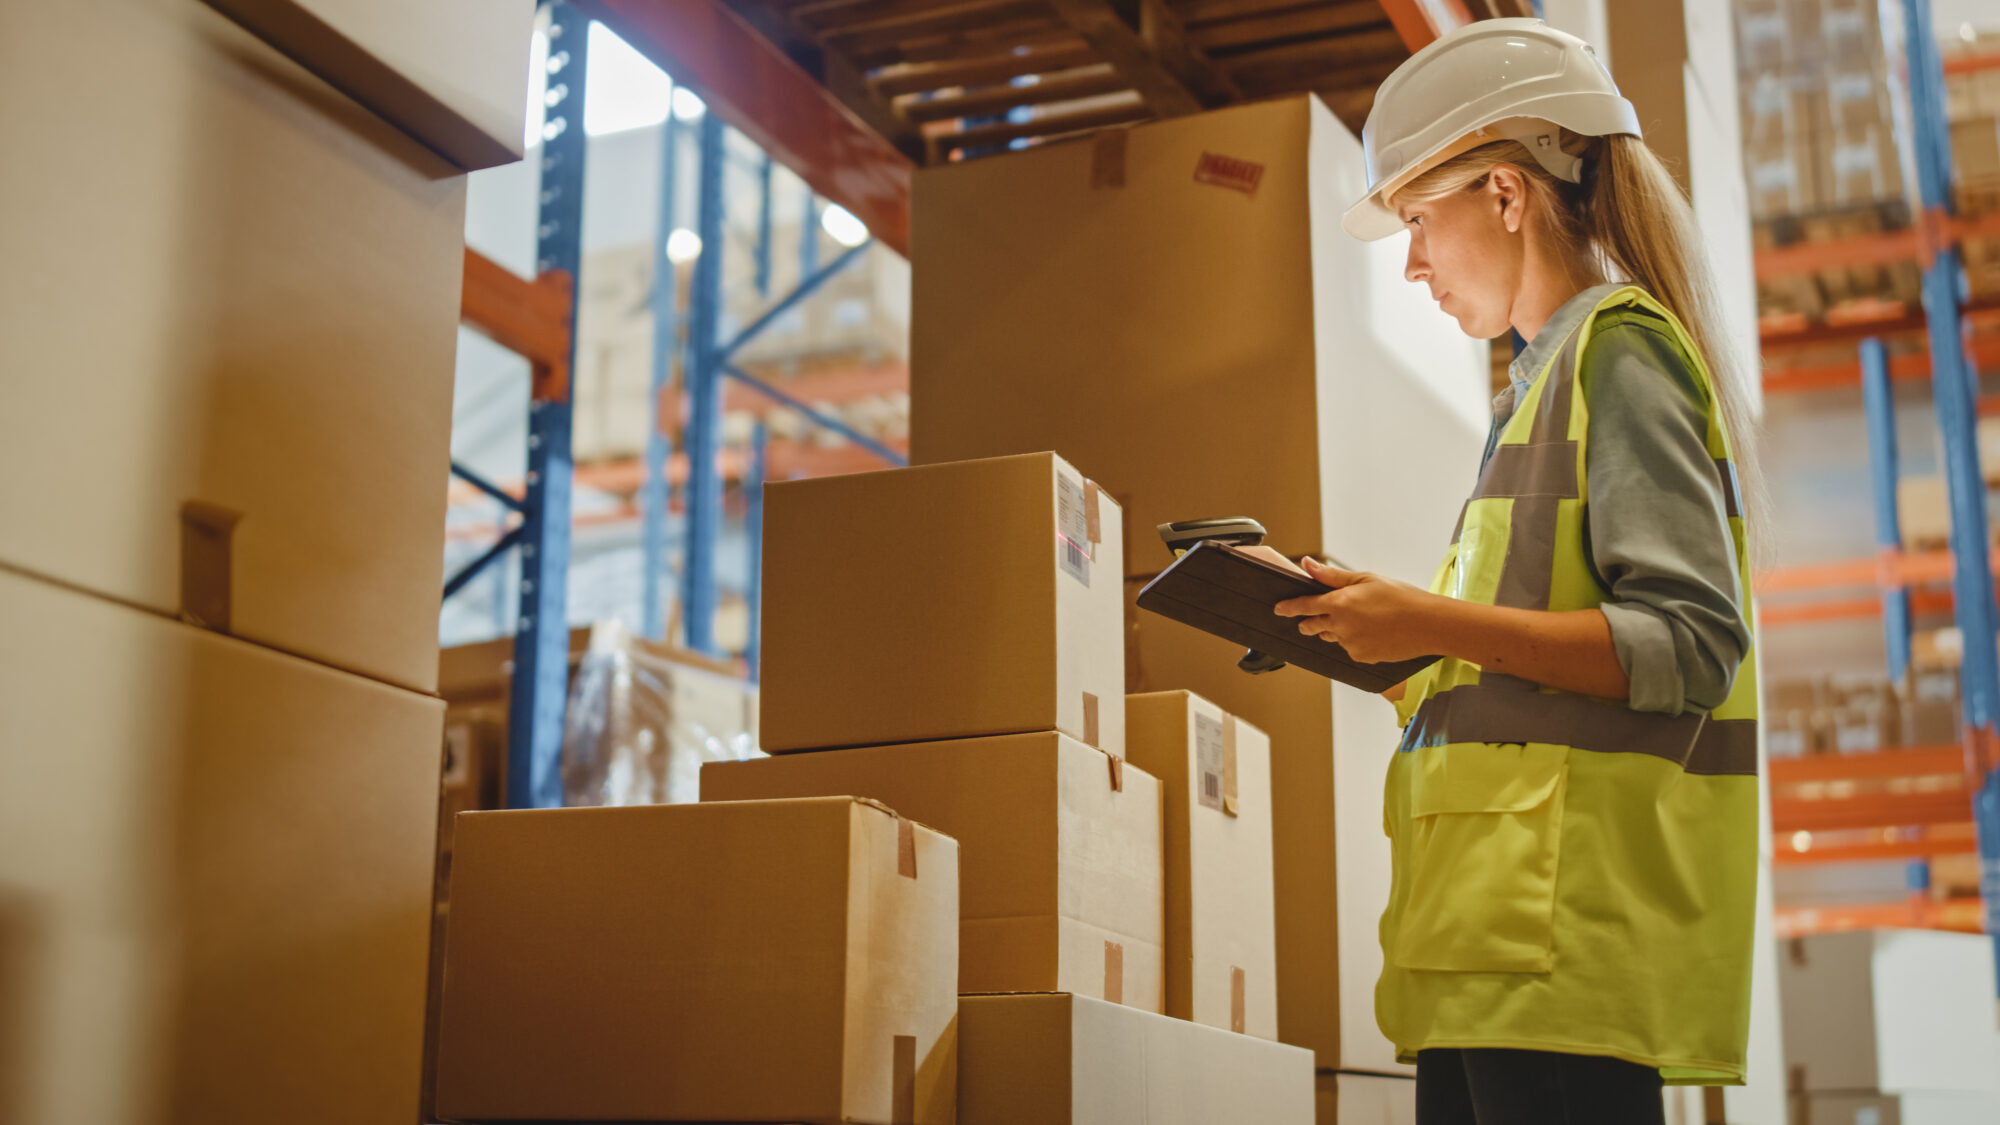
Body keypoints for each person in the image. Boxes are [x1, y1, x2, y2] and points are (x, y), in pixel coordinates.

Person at [1267, 19, 1761, 1125]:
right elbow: (1521, 688)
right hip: (1490, 955)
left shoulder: (1618, 358)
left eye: (1415, 222)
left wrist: (1429, 621)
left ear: (1502, 193)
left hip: (1558, 949)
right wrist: (1377, 635)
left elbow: (1684, 645)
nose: (1412, 263)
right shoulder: (1538, 392)